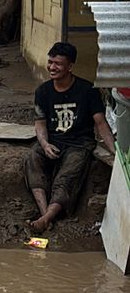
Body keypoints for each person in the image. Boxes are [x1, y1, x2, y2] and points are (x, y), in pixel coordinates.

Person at [24, 40, 115, 231]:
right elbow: (39, 124)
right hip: (54, 141)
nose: (52, 67)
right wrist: (45, 144)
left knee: (66, 177)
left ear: (70, 66)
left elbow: (101, 123)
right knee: (33, 158)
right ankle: (44, 214)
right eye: (50, 62)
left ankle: (47, 218)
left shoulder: (87, 90)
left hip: (79, 144)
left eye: (58, 63)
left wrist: (115, 151)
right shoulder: (43, 91)